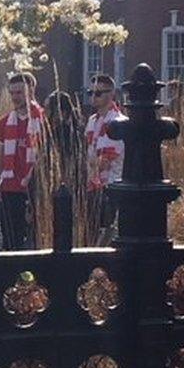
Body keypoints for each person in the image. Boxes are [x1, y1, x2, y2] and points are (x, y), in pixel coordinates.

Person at [0, 73, 45, 250]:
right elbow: (0, 155)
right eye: (12, 93)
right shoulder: (4, 122)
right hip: (9, 186)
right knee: (10, 241)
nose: (15, 97)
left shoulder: (43, 119)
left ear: (31, 91)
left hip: (34, 188)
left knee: (35, 241)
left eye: (19, 93)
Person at [84, 74, 127, 245]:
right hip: (93, 186)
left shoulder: (118, 122)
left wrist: (89, 165)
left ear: (112, 95)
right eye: (90, 93)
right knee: (93, 234)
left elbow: (104, 161)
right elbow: (89, 155)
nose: (93, 97)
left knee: (106, 234)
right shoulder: (92, 120)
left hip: (110, 186)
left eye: (98, 93)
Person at [44, 90, 84, 186]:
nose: (44, 111)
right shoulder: (52, 130)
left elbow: (66, 162)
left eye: (48, 108)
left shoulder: (64, 133)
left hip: (64, 184)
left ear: (62, 112)